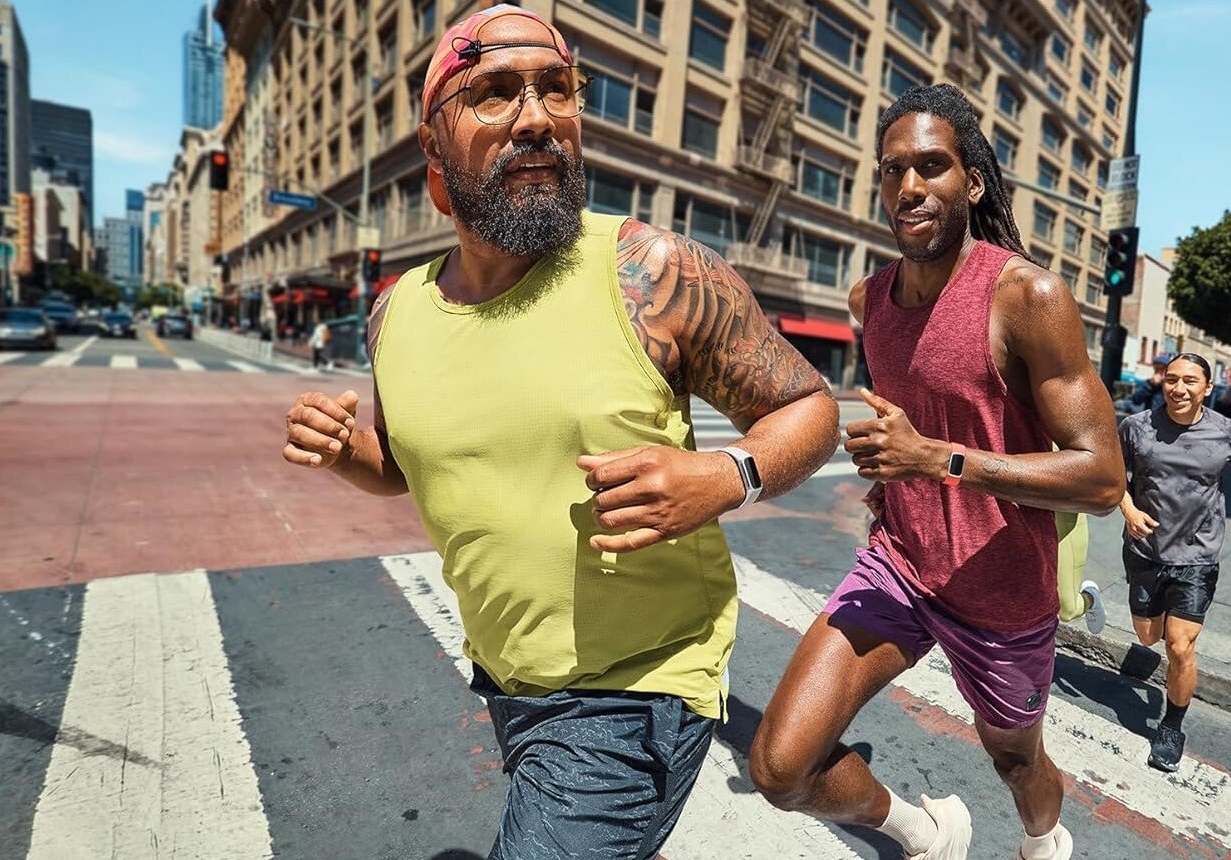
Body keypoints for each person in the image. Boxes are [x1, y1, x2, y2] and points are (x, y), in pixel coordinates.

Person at [282, 8, 840, 857]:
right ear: (435, 153)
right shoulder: (396, 311)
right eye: (496, 92)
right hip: (507, 677)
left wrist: (727, 476)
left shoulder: (651, 270)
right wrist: (344, 450)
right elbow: (407, 461)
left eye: (556, 89)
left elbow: (811, 409)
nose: (538, 115)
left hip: (639, 688)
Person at [748, 85, 1124, 860]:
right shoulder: (870, 299)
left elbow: (1103, 479)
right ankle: (927, 834)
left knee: (1016, 762)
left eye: (932, 166)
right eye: (893, 171)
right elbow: (915, 413)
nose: (910, 186)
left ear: (972, 182)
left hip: (1002, 594)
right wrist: (894, 474)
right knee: (780, 768)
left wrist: (937, 459)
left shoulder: (1028, 296)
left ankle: (1045, 843)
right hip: (900, 567)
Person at [1117, 353, 1231, 773]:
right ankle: (1151, 645)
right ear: (1162, 382)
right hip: (1145, 551)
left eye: (1190, 381)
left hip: (1197, 555)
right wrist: (1128, 511)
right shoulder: (1135, 428)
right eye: (1172, 379)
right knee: (1149, 636)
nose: (1179, 388)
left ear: (1208, 388)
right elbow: (1114, 480)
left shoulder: (1227, 432)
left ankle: (1171, 726)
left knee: (1180, 645)